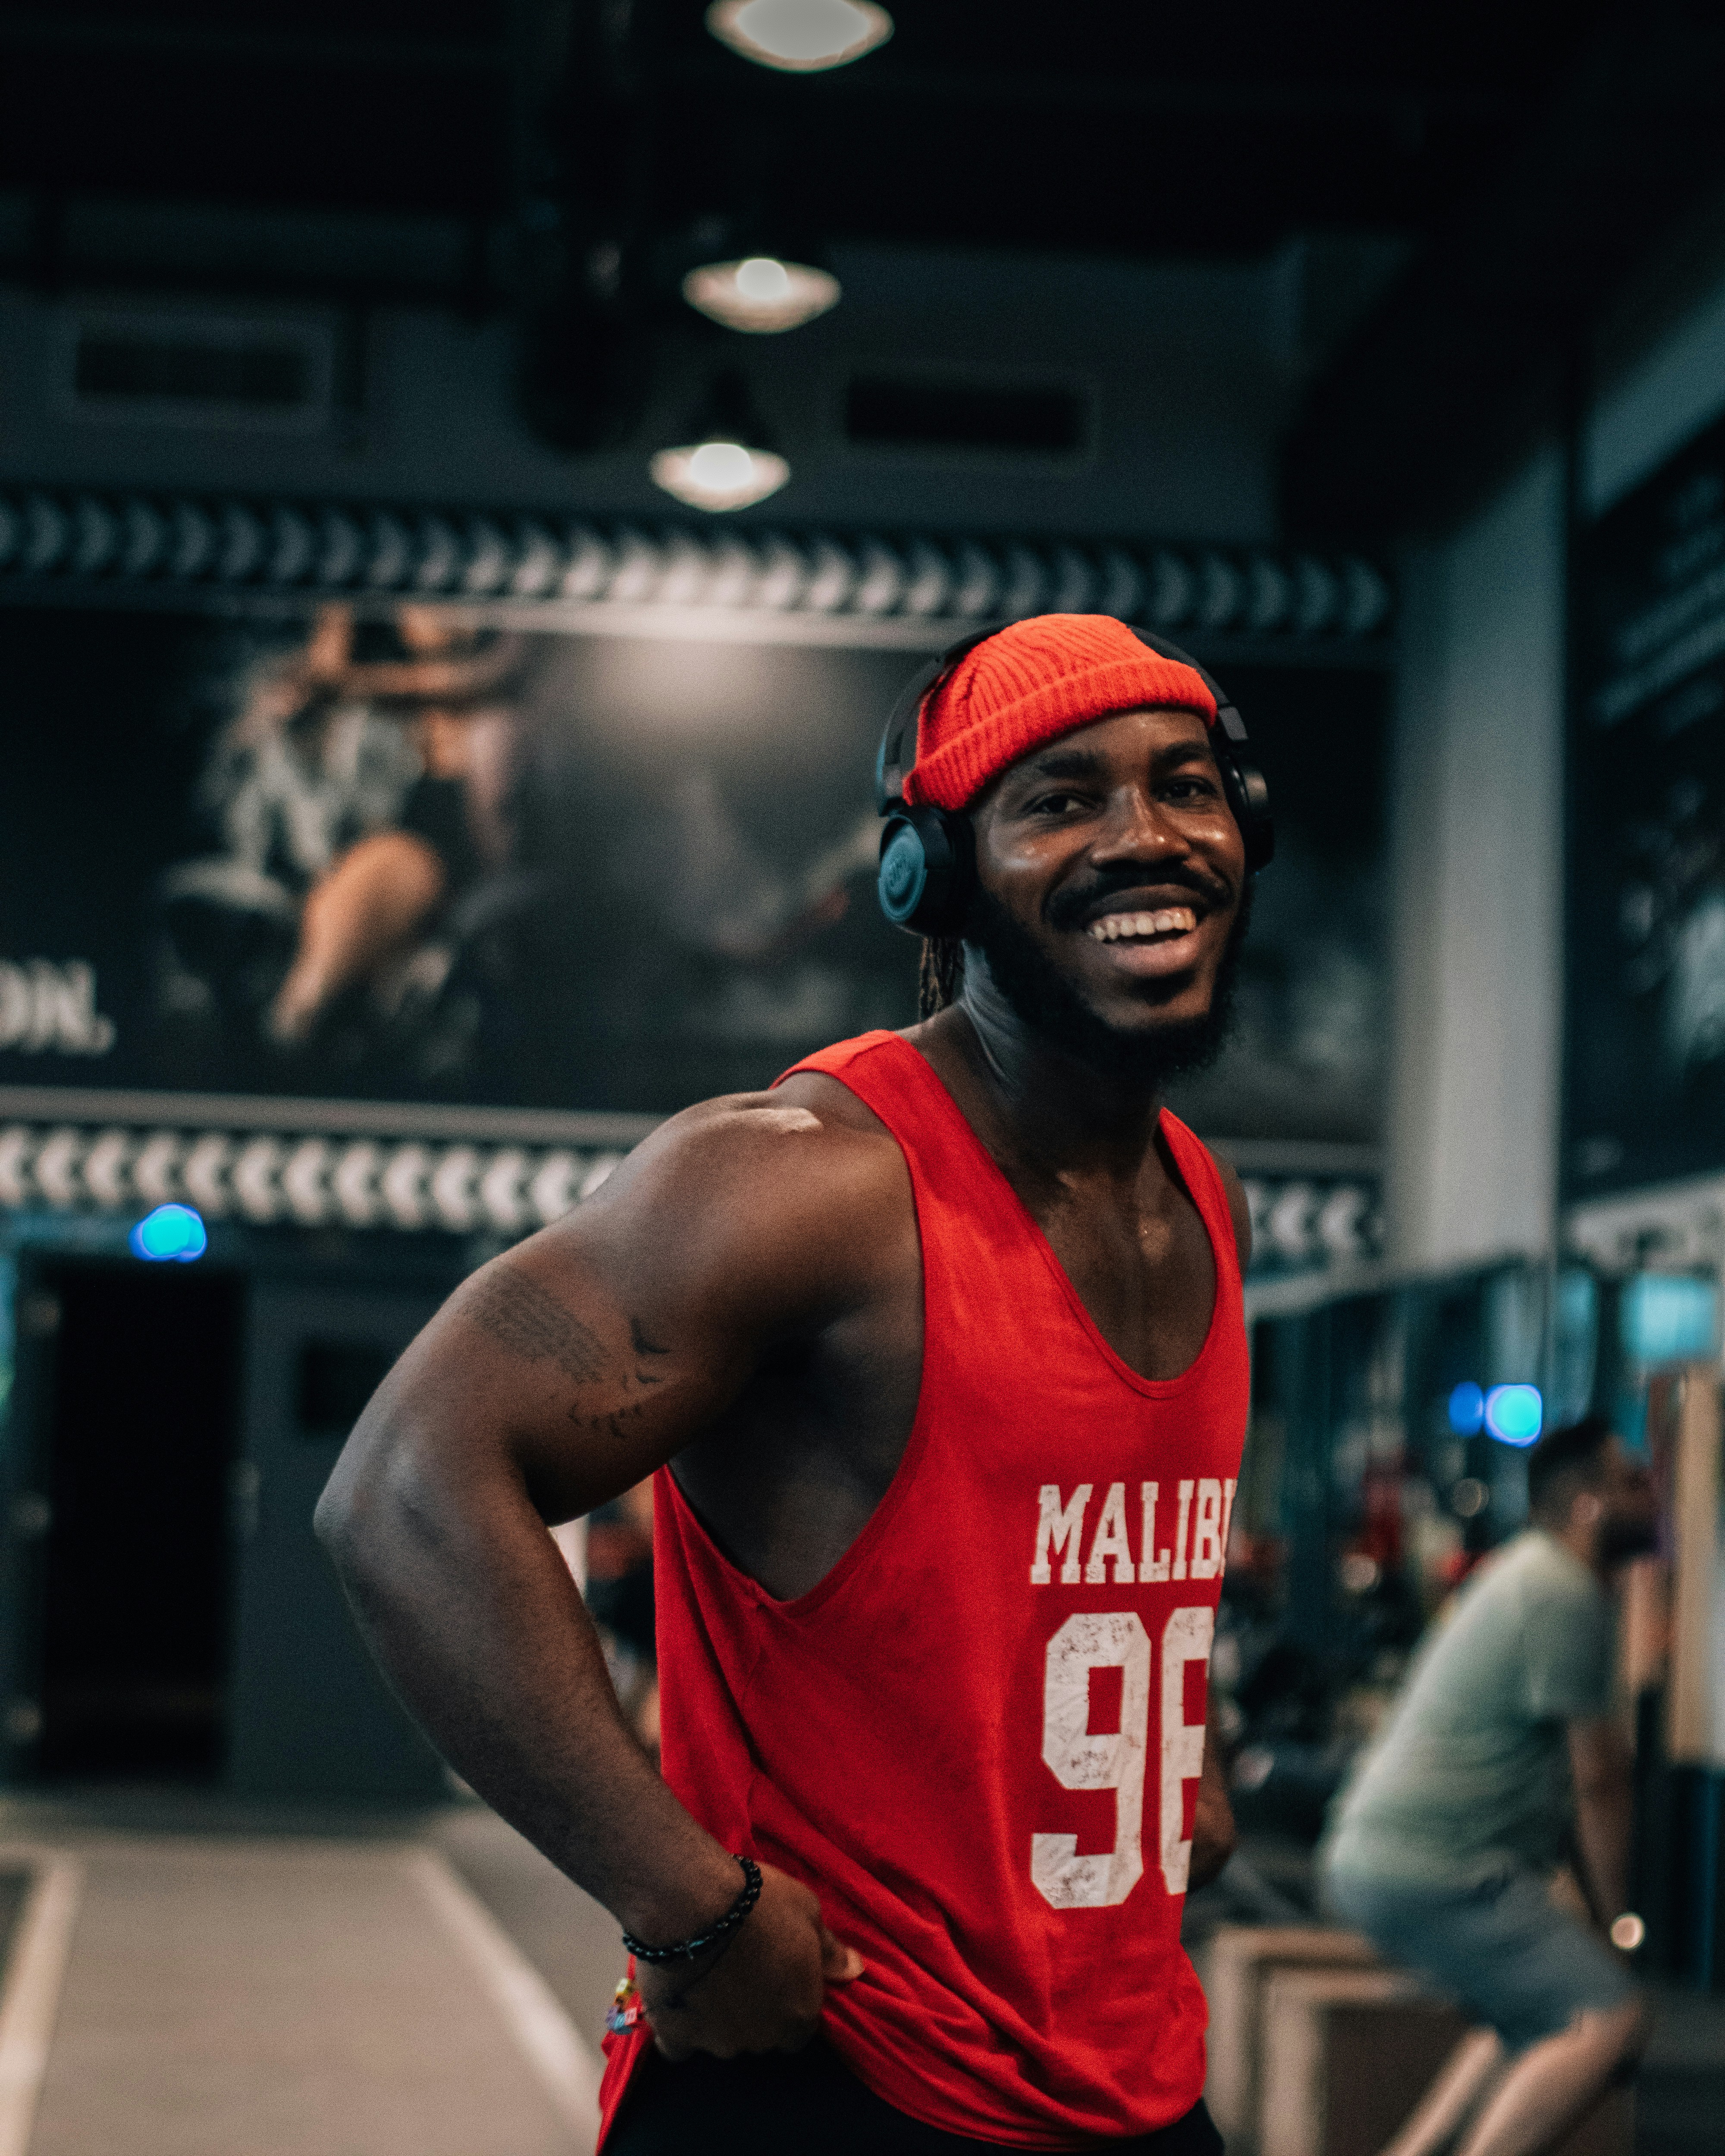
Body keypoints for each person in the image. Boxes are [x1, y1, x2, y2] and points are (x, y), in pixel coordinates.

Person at [316, 614, 1257, 2152]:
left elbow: (1065, 1568)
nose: (1144, 837)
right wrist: (686, 1907)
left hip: (1129, 2079)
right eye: (1062, 800)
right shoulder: (800, 1186)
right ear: (933, 876)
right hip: (842, 2080)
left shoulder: (1202, 1193)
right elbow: (408, 1493)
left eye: (1187, 786)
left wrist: (1165, 1777)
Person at [1321, 1417, 1659, 2156]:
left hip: (1382, 1857)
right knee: (1610, 2014)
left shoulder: (1532, 1572)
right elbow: (1599, 1780)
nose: (1655, 1498)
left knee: (1522, 2016)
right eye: (1634, 1482)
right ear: (1589, 1505)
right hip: (1429, 1866)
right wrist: (1616, 1926)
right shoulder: (1563, 1593)